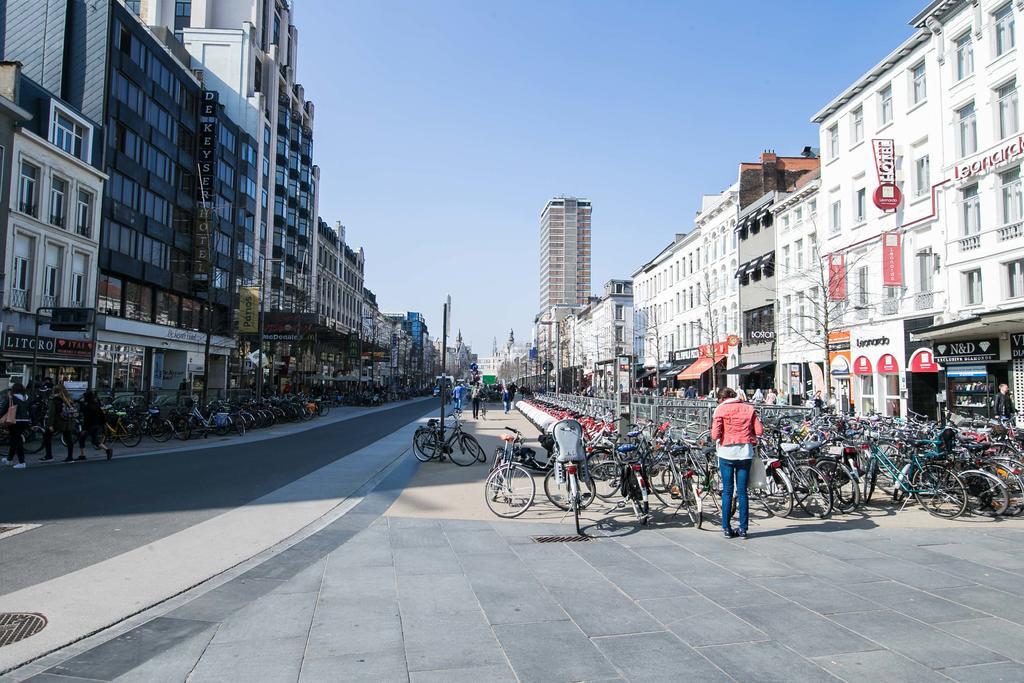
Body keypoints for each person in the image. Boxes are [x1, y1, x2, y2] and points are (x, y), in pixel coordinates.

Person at [710, 387, 763, 539]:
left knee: (727, 491)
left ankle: (726, 528)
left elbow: (715, 435)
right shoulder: (749, 408)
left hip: (726, 453)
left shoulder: (720, 410)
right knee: (742, 492)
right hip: (745, 453)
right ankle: (743, 529)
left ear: (722, 399)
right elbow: (759, 431)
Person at [43, 383, 77, 463]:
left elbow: (52, 413)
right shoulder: (69, 398)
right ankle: (70, 457)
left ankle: (49, 455)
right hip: (68, 421)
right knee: (69, 439)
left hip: (58, 421)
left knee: (47, 436)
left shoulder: (54, 399)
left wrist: (50, 424)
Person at [1, 383, 31, 469]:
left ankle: (22, 462)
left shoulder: (12, 398)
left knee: (17, 441)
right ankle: (9, 460)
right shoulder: (26, 398)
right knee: (14, 440)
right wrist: (33, 421)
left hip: (14, 421)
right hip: (25, 421)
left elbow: (4, 409)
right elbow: (31, 410)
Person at [78, 391, 113, 460]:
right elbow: (101, 414)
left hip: (89, 426)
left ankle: (82, 455)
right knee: (95, 441)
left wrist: (84, 428)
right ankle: (107, 450)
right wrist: (103, 423)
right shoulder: (96, 404)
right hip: (97, 424)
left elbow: (87, 419)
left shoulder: (87, 406)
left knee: (81, 438)